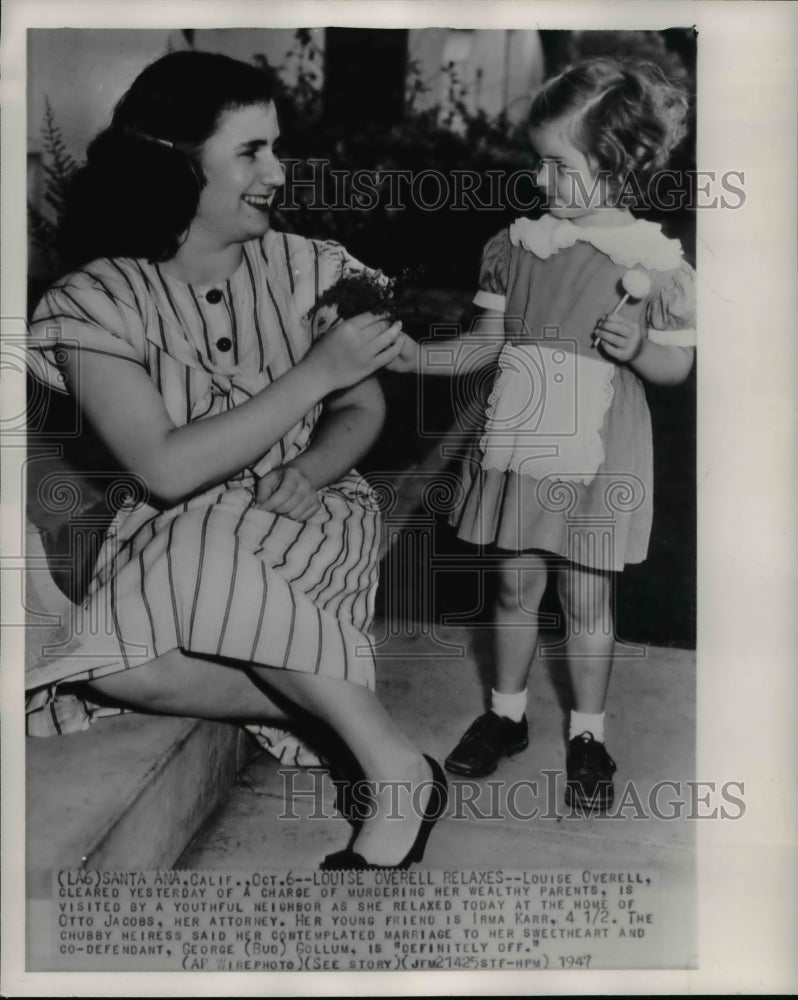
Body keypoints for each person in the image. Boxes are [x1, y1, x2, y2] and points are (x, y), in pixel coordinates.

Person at [26, 50, 446, 870]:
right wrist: (315, 371)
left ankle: (395, 773)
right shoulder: (92, 303)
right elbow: (167, 472)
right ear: (174, 164)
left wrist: (316, 466)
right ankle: (341, 719)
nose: (279, 173)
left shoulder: (309, 267)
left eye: (275, 147)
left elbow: (363, 407)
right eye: (251, 151)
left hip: (308, 514)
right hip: (168, 523)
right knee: (119, 667)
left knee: (207, 547)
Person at [388, 58, 696, 812]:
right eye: (539, 161)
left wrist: (639, 349)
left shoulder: (655, 263)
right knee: (513, 584)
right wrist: (412, 356)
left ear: (617, 163)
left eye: (558, 164)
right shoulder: (517, 245)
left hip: (598, 452)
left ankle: (588, 734)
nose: (540, 178)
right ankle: (506, 715)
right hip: (521, 439)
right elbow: (487, 343)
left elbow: (678, 368)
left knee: (588, 597)